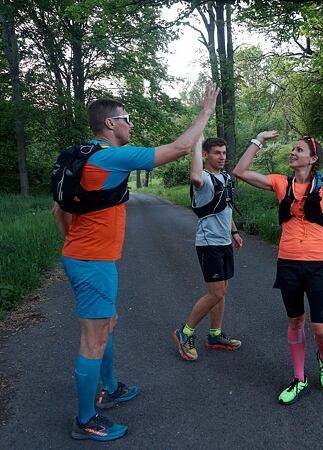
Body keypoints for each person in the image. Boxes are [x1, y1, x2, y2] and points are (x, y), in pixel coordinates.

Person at [52, 84, 220, 441]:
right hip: (91, 260)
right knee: (93, 338)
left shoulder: (88, 158)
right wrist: (204, 113)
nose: (131, 125)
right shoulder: (109, 157)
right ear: (110, 124)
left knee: (106, 323)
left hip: (90, 257)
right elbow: (176, 149)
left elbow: (59, 209)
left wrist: (72, 243)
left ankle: (110, 387)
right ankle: (85, 420)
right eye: (126, 119)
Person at [233, 131, 323, 405]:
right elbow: (240, 171)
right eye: (292, 149)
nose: (292, 153)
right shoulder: (281, 183)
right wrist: (258, 140)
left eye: (298, 150)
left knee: (321, 330)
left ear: (313, 158)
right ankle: (299, 378)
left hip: (318, 264)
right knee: (295, 321)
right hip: (288, 264)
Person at [172, 137, 243, 360]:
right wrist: (196, 143)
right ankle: (185, 332)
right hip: (208, 243)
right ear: (205, 155)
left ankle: (214, 334)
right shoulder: (203, 179)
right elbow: (194, 176)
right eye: (216, 153)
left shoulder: (225, 177)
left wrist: (234, 232)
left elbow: (225, 208)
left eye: (224, 152)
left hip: (224, 242)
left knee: (222, 290)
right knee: (217, 292)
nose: (222, 157)